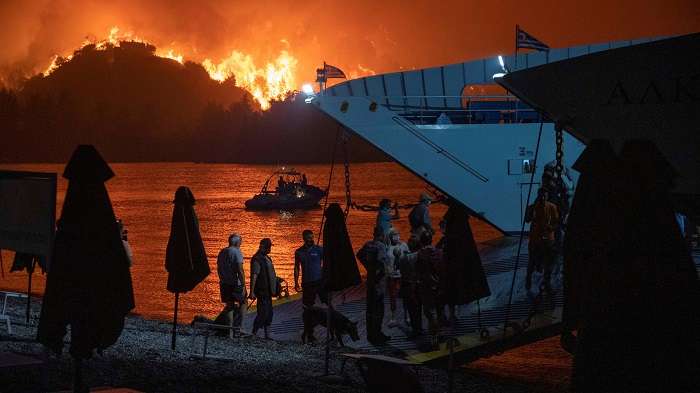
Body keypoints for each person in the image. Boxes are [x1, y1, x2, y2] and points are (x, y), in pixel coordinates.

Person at [357, 226, 391, 345]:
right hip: (378, 282)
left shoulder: (368, 244)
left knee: (370, 308)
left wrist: (367, 266)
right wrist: (382, 273)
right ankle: (377, 334)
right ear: (382, 235)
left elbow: (359, 254)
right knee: (379, 309)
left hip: (370, 279)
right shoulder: (381, 246)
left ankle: (370, 333)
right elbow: (382, 262)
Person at [524, 188, 560, 291]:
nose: (543, 197)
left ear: (547, 196)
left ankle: (547, 282)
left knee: (548, 264)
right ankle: (528, 279)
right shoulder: (533, 207)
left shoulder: (552, 207)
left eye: (545, 195)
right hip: (535, 240)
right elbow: (527, 220)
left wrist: (551, 228)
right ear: (538, 195)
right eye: (541, 195)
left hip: (548, 240)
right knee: (532, 262)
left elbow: (556, 222)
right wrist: (529, 210)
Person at [416, 230, 442, 349]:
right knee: (439, 311)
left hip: (426, 286)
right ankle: (439, 334)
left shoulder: (421, 254)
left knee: (430, 313)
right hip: (439, 285)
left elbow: (419, 271)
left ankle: (433, 339)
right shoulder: (438, 252)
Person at [216, 233, 246, 336]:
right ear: (237, 242)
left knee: (229, 306)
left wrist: (222, 279)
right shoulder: (236, 252)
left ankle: (230, 332)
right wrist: (243, 285)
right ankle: (239, 328)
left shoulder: (222, 252)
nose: (241, 244)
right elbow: (240, 270)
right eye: (240, 242)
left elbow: (218, 268)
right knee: (243, 302)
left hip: (224, 283)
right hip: (235, 283)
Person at [249, 238, 277, 339]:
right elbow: (254, 275)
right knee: (262, 313)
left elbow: (270, 274)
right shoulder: (257, 259)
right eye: (269, 247)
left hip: (268, 291)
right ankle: (254, 333)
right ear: (264, 247)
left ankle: (267, 335)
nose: (270, 249)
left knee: (269, 313)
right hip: (262, 291)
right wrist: (251, 292)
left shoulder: (268, 258)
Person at [398, 235, 422, 337]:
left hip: (408, 286)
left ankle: (416, 329)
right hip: (420, 285)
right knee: (419, 308)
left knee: (412, 310)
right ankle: (419, 327)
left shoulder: (404, 258)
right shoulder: (421, 255)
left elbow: (402, 272)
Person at [386, 228, 409, 327]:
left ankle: (406, 316)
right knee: (392, 297)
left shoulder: (404, 245)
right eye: (394, 235)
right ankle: (393, 317)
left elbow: (408, 256)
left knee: (405, 296)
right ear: (390, 237)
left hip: (402, 275)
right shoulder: (387, 248)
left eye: (397, 234)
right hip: (391, 276)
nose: (396, 237)